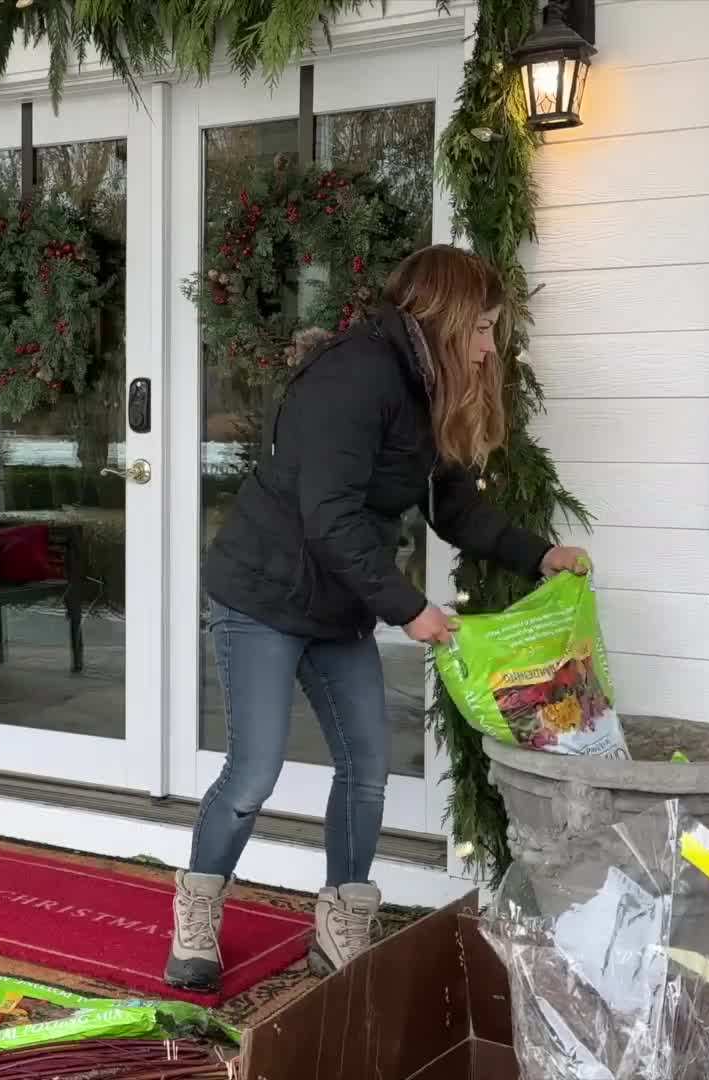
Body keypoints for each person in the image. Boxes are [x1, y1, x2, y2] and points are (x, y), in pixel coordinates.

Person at [166, 244, 590, 992]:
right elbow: (328, 513)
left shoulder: (432, 389)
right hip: (263, 594)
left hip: (337, 605)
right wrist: (407, 606)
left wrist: (540, 555)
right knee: (254, 770)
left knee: (367, 766)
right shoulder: (355, 374)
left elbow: (454, 507)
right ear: (446, 317)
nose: (489, 348)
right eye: (482, 328)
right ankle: (197, 909)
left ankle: (341, 919)